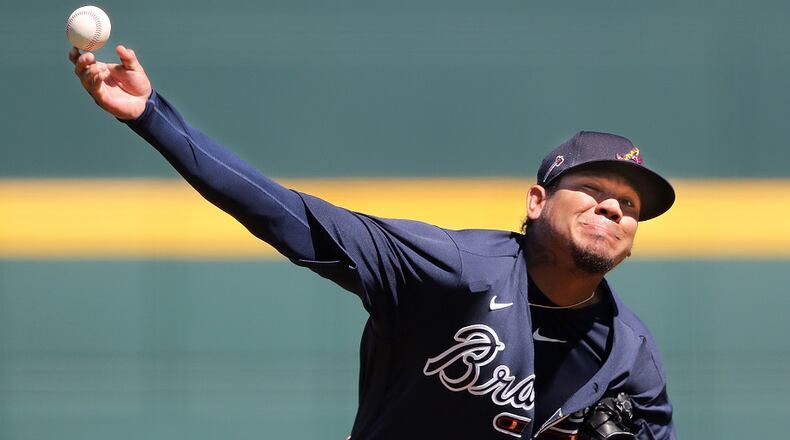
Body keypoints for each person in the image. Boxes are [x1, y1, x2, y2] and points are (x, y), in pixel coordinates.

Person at [69, 45, 677, 440]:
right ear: (536, 203)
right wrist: (154, 117)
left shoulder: (628, 355)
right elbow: (286, 214)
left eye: (630, 206)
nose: (612, 207)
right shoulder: (456, 269)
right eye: (593, 188)